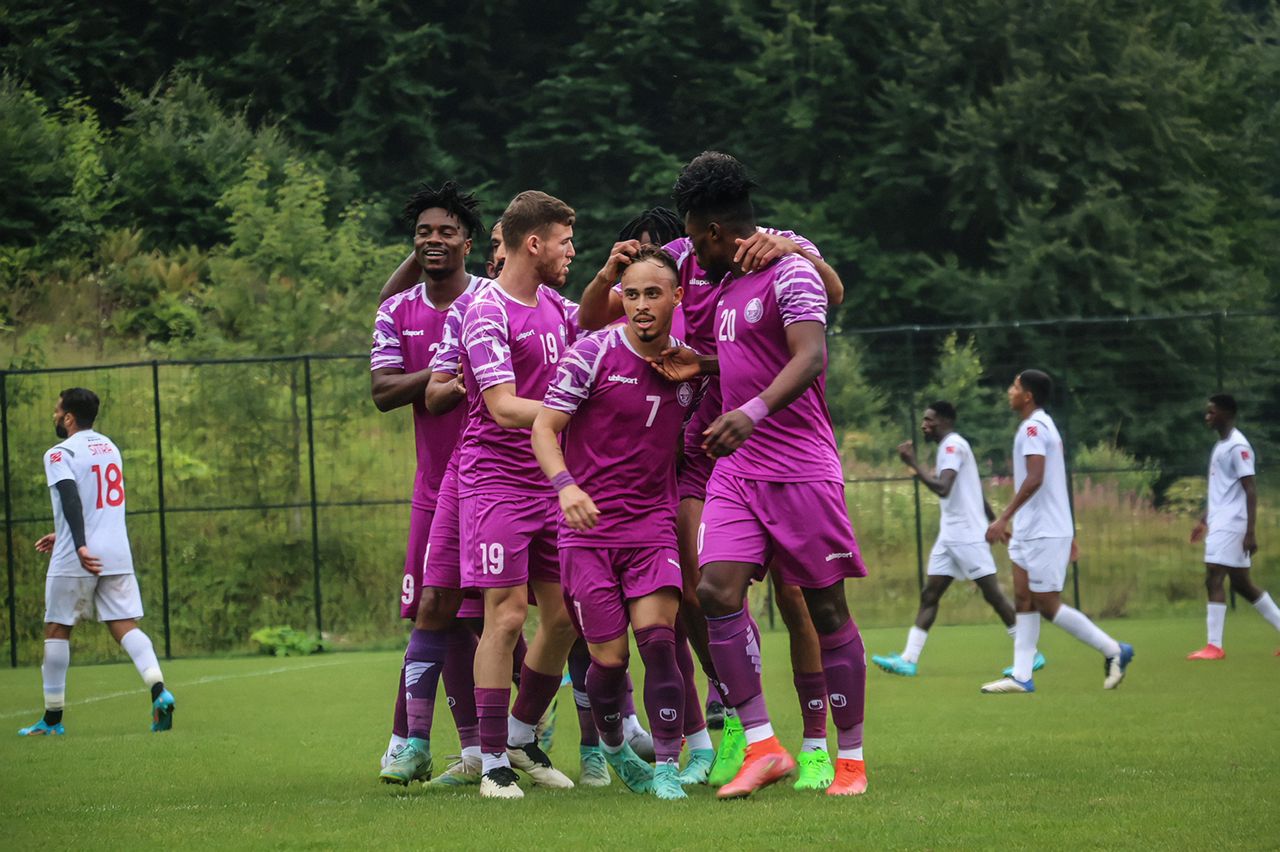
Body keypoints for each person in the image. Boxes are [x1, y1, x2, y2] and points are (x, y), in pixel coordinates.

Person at [578, 204, 846, 792]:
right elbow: (591, 320)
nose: (647, 294)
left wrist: (794, 251)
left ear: (716, 229)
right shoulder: (676, 262)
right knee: (706, 591)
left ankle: (818, 745)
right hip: (705, 447)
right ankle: (741, 731)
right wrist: (606, 275)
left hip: (778, 439)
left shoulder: (772, 248)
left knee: (797, 597)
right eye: (638, 281)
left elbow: (834, 292)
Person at [652, 151, 870, 798]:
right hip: (737, 470)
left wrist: (748, 411)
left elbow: (809, 357)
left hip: (801, 469)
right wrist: (703, 371)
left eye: (694, 236)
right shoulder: (719, 290)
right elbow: (745, 359)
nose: (690, 250)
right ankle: (762, 744)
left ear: (716, 231)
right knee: (716, 592)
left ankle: (849, 760)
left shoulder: (789, 270)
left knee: (826, 608)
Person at [532, 245, 698, 800]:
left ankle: (670, 767)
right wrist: (566, 486)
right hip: (587, 533)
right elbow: (543, 428)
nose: (642, 304)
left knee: (659, 642)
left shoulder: (691, 368)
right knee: (610, 658)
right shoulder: (591, 354)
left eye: (654, 293)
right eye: (632, 294)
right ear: (619, 298)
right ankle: (613, 744)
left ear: (677, 297)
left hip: (651, 528)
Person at [459, 190, 583, 798]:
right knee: (505, 615)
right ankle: (490, 764)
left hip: (549, 480)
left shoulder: (557, 306)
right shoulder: (485, 310)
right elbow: (503, 406)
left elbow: (598, 323)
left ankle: (518, 735)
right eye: (564, 240)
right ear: (533, 243)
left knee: (565, 617)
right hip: (498, 484)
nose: (571, 251)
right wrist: (575, 412)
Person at [369, 182, 488, 782]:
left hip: (499, 485)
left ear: (469, 240)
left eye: (445, 231)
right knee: (435, 615)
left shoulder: (494, 302)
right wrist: (441, 370)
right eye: (422, 232)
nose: (432, 239)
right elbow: (383, 392)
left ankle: (524, 728)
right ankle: (419, 744)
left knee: (494, 618)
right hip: (434, 489)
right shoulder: (397, 310)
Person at [20, 388, 175, 736]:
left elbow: (73, 498)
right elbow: (97, 505)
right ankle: (159, 691)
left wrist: (76, 544)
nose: (55, 416)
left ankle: (52, 721)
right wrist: (63, 533)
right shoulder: (109, 448)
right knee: (124, 623)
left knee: (57, 628)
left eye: (57, 410)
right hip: (116, 552)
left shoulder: (59, 453)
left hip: (80, 554)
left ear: (69, 417)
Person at [980, 370, 1135, 694]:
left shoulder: (1035, 426)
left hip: (1044, 531)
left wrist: (1003, 518)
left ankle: (1113, 650)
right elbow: (1053, 481)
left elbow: (1036, 478)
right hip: (1032, 529)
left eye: (1015, 386)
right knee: (1023, 598)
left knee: (1047, 604)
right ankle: (1022, 676)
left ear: (1028, 396)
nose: (1010, 391)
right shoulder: (1036, 425)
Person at [873, 402, 1041, 677]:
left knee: (993, 595)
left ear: (945, 421)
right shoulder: (951, 446)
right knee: (930, 595)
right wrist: (995, 521)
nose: (924, 425)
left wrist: (912, 463)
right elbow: (976, 493)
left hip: (965, 535)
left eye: (929, 420)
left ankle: (1030, 653)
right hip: (951, 535)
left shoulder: (952, 446)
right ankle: (908, 659)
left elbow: (943, 488)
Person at [1186, 393, 1280, 659]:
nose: (1207, 416)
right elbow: (1222, 490)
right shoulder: (1220, 446)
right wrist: (1204, 520)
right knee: (1242, 584)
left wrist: (1251, 532)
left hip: (1232, 523)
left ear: (1226, 413)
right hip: (1221, 521)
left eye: (1211, 412)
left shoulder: (1239, 446)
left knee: (1213, 575)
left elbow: (1250, 490)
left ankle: (1213, 646)